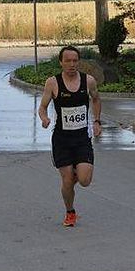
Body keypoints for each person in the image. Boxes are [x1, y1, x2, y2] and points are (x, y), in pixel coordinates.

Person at [38, 46, 102, 227]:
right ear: (61, 62)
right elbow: (42, 107)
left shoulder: (88, 81)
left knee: (84, 180)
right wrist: (44, 118)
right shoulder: (53, 83)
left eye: (75, 61)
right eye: (68, 61)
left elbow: (96, 99)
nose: (72, 64)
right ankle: (70, 212)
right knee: (66, 180)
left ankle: (75, 176)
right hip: (62, 140)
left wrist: (97, 121)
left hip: (82, 139)